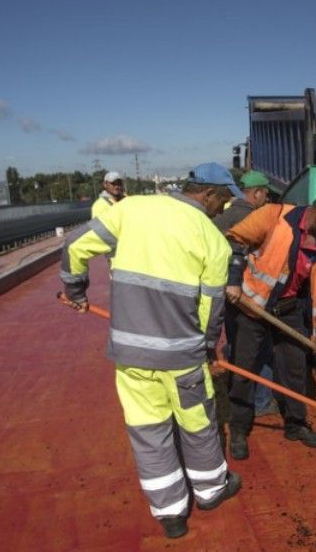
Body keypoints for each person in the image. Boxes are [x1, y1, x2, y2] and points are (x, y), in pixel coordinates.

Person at [60, 162, 245, 539]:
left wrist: (76, 291)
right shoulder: (212, 240)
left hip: (131, 354)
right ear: (208, 194)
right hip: (182, 357)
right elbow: (211, 309)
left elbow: (74, 246)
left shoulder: (132, 209)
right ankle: (210, 490)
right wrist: (208, 348)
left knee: (148, 430)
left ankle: (170, 513)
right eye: (223, 201)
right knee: (197, 424)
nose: (222, 209)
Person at [223, 184, 316, 460]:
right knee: (244, 369)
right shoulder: (273, 216)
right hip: (252, 306)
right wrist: (233, 280)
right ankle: (239, 429)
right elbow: (234, 240)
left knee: (295, 367)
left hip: (289, 308)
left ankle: (296, 425)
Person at [211, 170, 281, 418]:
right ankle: (261, 403)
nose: (268, 200)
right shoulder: (251, 217)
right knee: (260, 349)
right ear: (258, 193)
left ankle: (238, 386)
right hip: (244, 294)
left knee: (236, 343)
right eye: (266, 194)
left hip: (225, 291)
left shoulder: (226, 214)